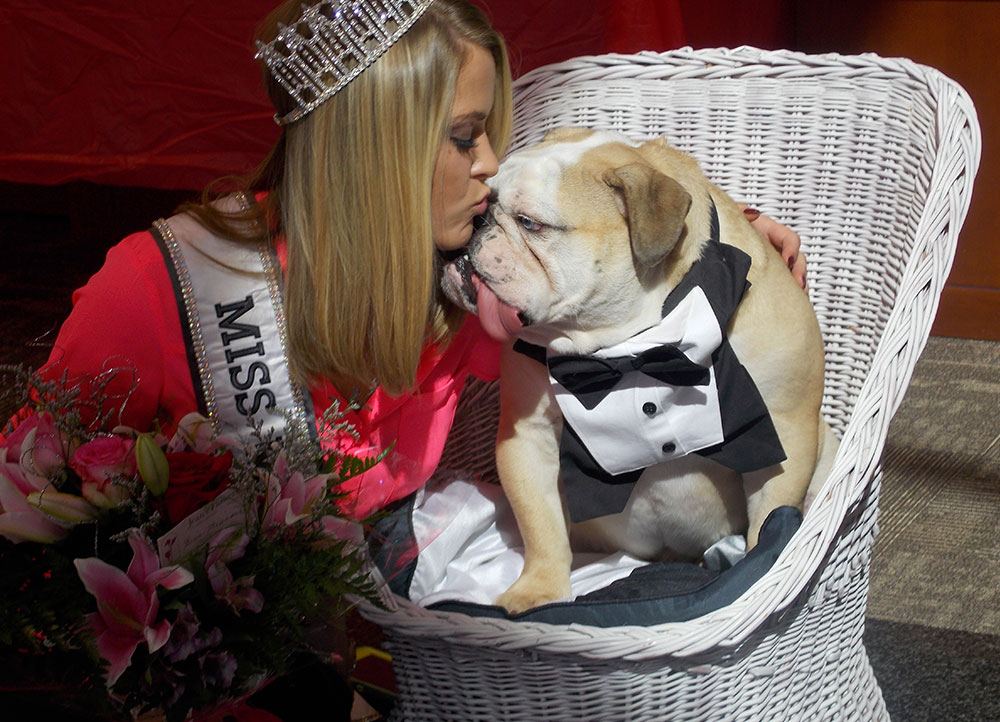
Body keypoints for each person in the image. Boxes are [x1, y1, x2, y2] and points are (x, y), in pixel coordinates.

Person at [33, 0, 807, 523]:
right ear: (373, 153)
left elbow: (612, 255)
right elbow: (30, 509)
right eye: (466, 137)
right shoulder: (158, 290)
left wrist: (740, 247)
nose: (493, 165)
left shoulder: (471, 285)